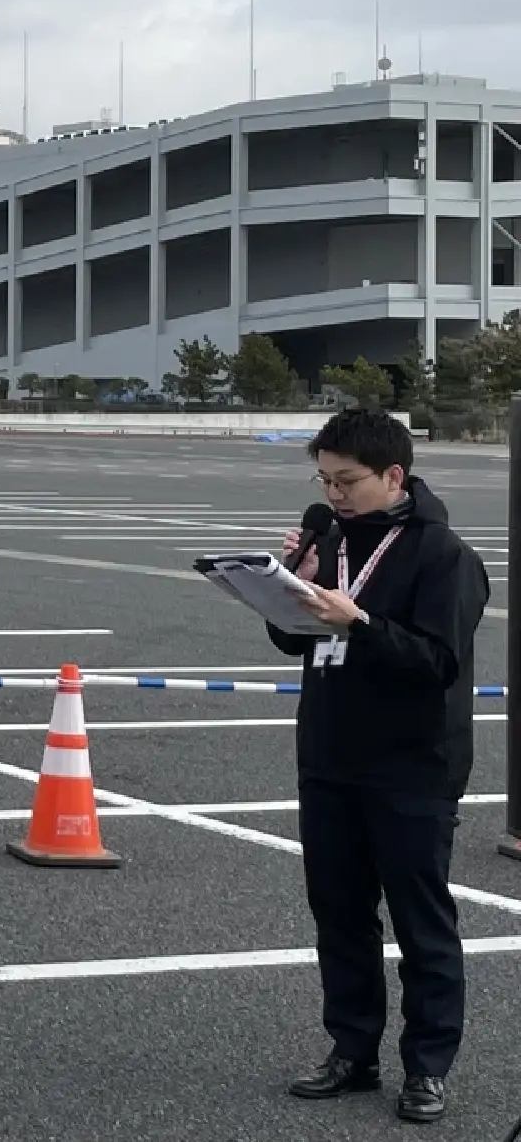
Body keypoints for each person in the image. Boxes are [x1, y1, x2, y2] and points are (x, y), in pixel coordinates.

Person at [270, 408, 488, 1125]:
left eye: (347, 481)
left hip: (411, 765)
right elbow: (297, 640)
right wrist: (288, 589)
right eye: (325, 481)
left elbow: (437, 662)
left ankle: (427, 1066)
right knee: (339, 915)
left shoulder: (443, 555)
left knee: (422, 923)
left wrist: (359, 621)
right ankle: (352, 1049)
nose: (334, 495)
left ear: (393, 476)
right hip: (329, 757)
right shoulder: (332, 540)